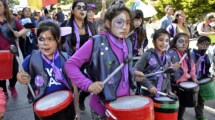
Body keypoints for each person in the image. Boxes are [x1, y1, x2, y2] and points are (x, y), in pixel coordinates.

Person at [65, 1, 136, 119]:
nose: (125, 27)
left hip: (123, 104)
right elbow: (70, 65)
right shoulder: (96, 42)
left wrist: (133, 73)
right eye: (119, 22)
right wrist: (88, 85)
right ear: (108, 23)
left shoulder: (127, 42)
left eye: (128, 23)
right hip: (102, 107)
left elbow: (121, 67)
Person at [16, 21, 80, 120]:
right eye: (41, 39)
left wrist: (77, 111)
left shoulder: (66, 59)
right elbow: (20, 74)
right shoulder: (31, 58)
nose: (45, 43)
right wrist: (21, 78)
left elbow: (74, 88)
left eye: (50, 39)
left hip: (66, 107)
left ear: (58, 39)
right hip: (43, 109)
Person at [0, 0, 29, 99]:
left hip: (12, 53)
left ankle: (11, 86)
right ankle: (3, 92)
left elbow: (25, 29)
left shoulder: (11, 20)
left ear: (4, 7)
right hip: (0, 54)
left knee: (14, 74)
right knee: (1, 77)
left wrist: (19, 33)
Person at [134, 29, 173, 96]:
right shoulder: (147, 54)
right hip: (147, 93)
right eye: (161, 40)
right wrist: (149, 85)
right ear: (154, 42)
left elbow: (167, 75)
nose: (164, 43)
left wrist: (169, 90)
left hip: (162, 93)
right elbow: (136, 71)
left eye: (167, 41)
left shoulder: (168, 56)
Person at [168, 33, 198, 120]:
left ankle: (180, 117)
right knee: (175, 105)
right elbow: (167, 67)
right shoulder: (171, 53)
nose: (183, 44)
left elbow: (192, 67)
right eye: (181, 41)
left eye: (186, 42)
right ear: (175, 42)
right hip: (175, 83)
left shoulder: (188, 53)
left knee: (183, 104)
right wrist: (173, 66)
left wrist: (194, 77)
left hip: (186, 82)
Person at [191, 36, 211, 120]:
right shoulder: (192, 54)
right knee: (190, 98)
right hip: (192, 79)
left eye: (207, 45)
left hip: (201, 79)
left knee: (201, 98)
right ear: (197, 44)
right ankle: (179, 116)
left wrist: (208, 75)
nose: (204, 47)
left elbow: (207, 67)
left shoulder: (206, 56)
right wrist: (200, 57)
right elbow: (193, 67)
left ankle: (199, 114)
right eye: (202, 44)